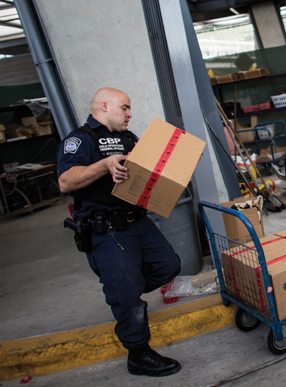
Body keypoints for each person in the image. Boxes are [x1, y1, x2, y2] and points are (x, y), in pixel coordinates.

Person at [56, 87, 182, 377]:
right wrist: (104, 164)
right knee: (126, 295)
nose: (130, 113)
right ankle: (138, 354)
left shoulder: (129, 139)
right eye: (125, 107)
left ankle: (122, 290)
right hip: (107, 228)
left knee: (169, 265)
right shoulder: (80, 140)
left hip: (136, 220)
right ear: (104, 105)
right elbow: (65, 181)